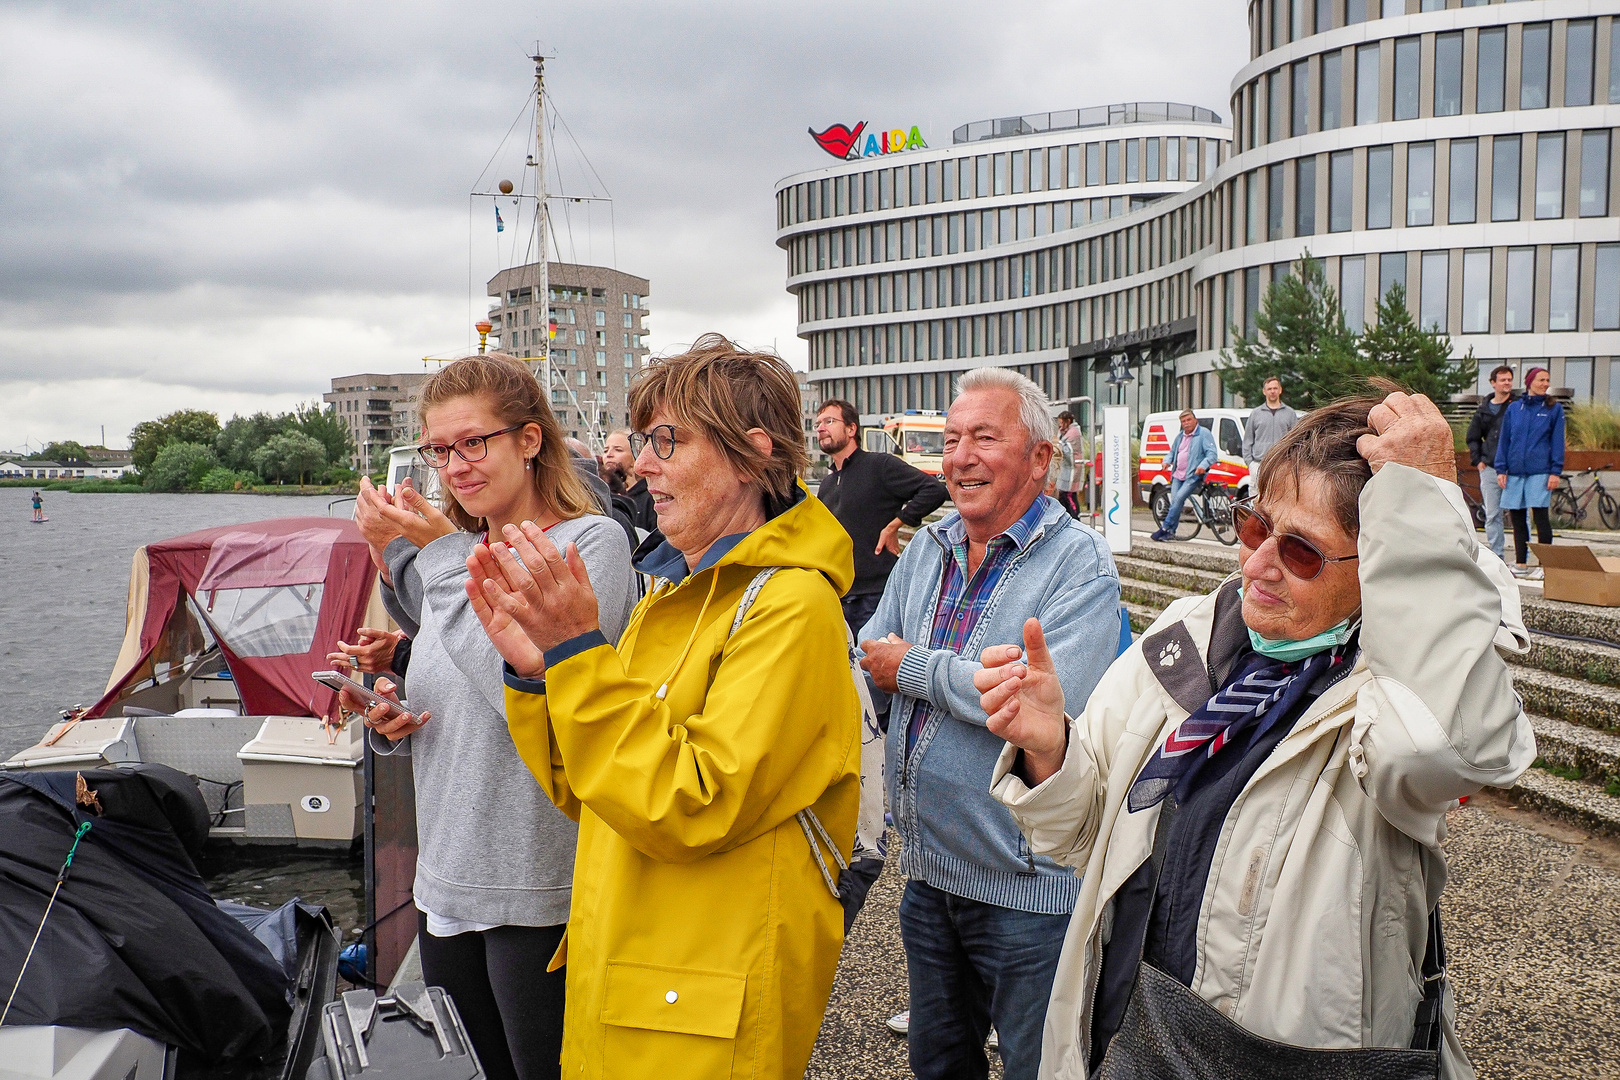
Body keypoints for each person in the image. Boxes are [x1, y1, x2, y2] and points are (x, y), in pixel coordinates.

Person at [976, 387, 1534, 1080]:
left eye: (1301, 552)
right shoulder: (1189, 633)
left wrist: (1421, 511)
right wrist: (1047, 750)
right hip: (1118, 1041)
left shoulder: (1389, 696)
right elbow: (1083, 837)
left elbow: (1435, 750)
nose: (1258, 563)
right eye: (1254, 525)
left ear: (1380, 573)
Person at [463, 334, 862, 1080]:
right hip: (638, 987)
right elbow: (597, 789)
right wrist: (538, 674)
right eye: (643, 442)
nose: (641, 466)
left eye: (666, 442)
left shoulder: (791, 605)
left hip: (703, 1014)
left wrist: (580, 652)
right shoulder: (673, 596)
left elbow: (688, 801)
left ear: (751, 454)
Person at [344, 353, 636, 1080]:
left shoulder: (587, 544)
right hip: (446, 881)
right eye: (441, 449)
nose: (454, 467)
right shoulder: (465, 555)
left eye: (473, 443)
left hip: (536, 885)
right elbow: (464, 695)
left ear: (529, 441)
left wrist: (432, 550)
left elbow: (531, 695)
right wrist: (395, 714)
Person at [856, 367, 1122, 1080]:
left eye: (983, 437)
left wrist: (917, 668)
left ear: (1040, 457)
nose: (959, 457)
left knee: (1043, 1067)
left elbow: (1040, 707)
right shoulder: (929, 547)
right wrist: (935, 671)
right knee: (939, 1063)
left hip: (1029, 892)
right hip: (930, 877)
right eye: (950, 440)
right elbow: (872, 650)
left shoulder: (1080, 565)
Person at [815, 398, 948, 640]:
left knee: (871, 671)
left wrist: (895, 524)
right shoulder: (826, 485)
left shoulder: (879, 465)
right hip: (839, 595)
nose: (821, 428)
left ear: (851, 428)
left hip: (877, 595)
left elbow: (934, 490)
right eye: (818, 423)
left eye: (829, 421)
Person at [1494, 366, 1565, 579]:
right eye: (1541, 380)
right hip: (1515, 472)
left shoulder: (1554, 409)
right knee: (1517, 519)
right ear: (1530, 381)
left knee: (1541, 518)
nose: (1545, 384)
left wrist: (1555, 471)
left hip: (1540, 471)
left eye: (1547, 380)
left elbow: (1557, 442)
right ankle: (1521, 563)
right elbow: (1505, 440)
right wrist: (1501, 468)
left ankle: (1545, 565)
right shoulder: (1515, 409)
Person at [1466, 365, 1516, 561]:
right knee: (1493, 514)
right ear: (1493, 383)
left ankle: (1523, 556)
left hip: (1514, 468)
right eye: (1503, 380)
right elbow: (1473, 437)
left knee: (1520, 515)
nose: (1507, 383)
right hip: (1489, 467)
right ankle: (1498, 557)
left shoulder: (1516, 406)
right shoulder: (1484, 409)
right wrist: (1478, 460)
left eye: (1509, 379)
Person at [1150, 410, 1217, 542]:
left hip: (1192, 476)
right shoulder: (1180, 436)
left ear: (1195, 420)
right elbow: (1172, 452)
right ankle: (1170, 532)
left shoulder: (1203, 434)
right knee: (1175, 502)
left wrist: (1203, 465)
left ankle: (1164, 528)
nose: (1186, 423)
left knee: (1179, 499)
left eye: (1189, 420)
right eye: (1183, 421)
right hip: (1177, 475)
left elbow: (1212, 454)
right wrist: (1166, 461)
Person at [1241, 375, 1299, 475]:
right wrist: (1250, 464)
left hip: (1282, 464)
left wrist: (1292, 462)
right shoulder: (1256, 413)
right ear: (1264, 391)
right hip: (1259, 465)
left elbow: (1296, 440)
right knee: (1258, 491)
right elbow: (1248, 440)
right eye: (1269, 389)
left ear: (1280, 390)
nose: (1272, 391)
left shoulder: (1290, 413)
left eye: (1275, 388)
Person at [603, 428, 657, 533]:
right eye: (605, 450)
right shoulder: (603, 495)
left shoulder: (651, 497)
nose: (609, 454)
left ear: (635, 455)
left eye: (618, 450)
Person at [1054, 411, 1084, 518]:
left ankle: (1075, 517)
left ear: (1068, 421)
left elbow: (1069, 449)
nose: (1060, 425)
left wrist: (1058, 443)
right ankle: (1066, 517)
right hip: (1066, 469)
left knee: (1070, 495)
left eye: (1062, 422)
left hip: (1073, 468)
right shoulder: (1064, 432)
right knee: (1063, 495)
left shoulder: (1074, 432)